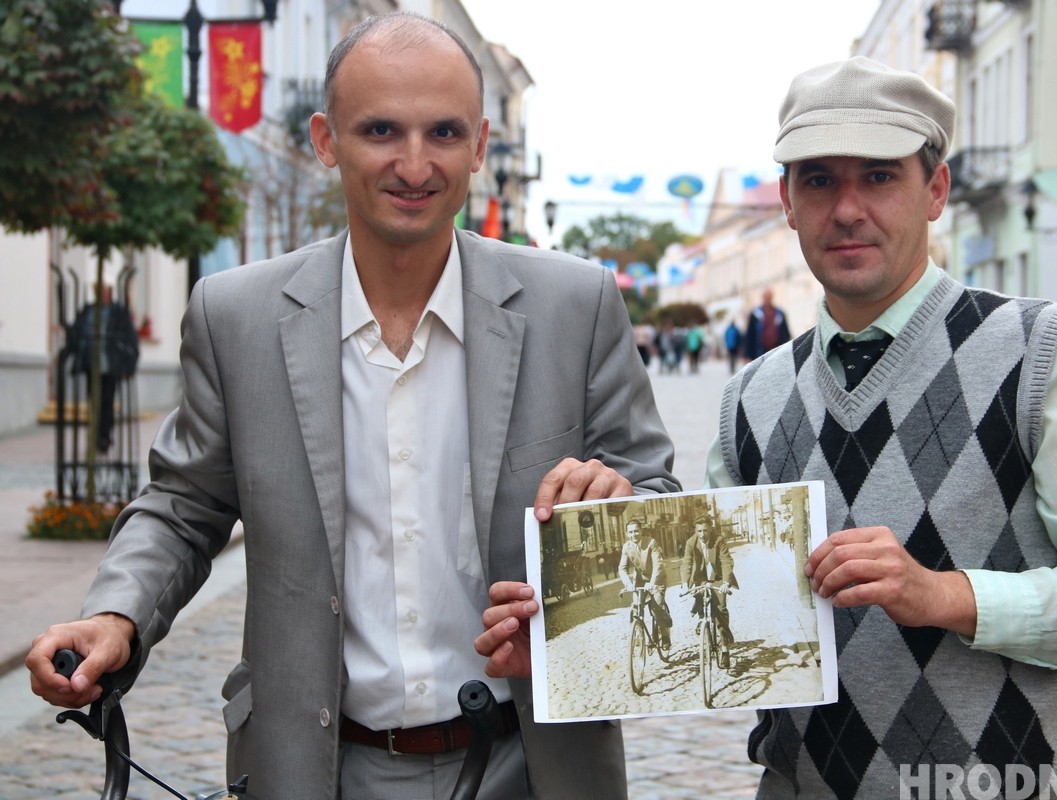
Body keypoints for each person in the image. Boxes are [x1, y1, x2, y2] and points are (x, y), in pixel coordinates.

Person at [26, 12, 678, 800]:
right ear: (326, 140)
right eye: (379, 130)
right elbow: (183, 503)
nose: (414, 163)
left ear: (479, 145)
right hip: (317, 766)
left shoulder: (574, 305)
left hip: (532, 762)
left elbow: (655, 498)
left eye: (443, 132)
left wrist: (620, 513)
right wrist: (117, 616)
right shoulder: (236, 317)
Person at [699, 56, 1057, 798]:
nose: (849, 207)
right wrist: (568, 624)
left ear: (936, 190)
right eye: (819, 179)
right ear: (789, 205)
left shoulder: (1044, 353)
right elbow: (722, 623)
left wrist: (948, 596)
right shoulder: (751, 398)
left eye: (879, 176)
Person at [67, 283, 140, 453]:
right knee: (93, 400)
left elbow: (128, 337)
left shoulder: (118, 312)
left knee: (107, 402)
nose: (102, 295)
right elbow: (77, 332)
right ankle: (96, 435)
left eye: (105, 292)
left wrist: (128, 363)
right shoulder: (88, 311)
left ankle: (104, 437)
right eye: (99, 292)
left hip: (110, 365)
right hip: (90, 363)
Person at [678, 515, 737, 668]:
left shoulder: (718, 540)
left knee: (721, 609)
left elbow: (726, 561)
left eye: (705, 530)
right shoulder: (691, 542)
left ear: (710, 528)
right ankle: (701, 617)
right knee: (698, 594)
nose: (702, 534)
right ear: (695, 531)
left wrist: (725, 582)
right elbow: (687, 563)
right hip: (700, 578)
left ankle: (724, 650)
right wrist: (685, 583)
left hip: (717, 578)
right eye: (699, 531)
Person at [617, 518, 673, 650]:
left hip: (656, 579)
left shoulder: (651, 543)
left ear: (641, 531)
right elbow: (622, 568)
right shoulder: (626, 547)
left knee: (656, 608)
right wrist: (628, 583)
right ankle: (638, 634)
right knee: (636, 607)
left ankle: (665, 635)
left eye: (636, 531)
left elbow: (658, 566)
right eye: (630, 532)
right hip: (639, 580)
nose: (634, 534)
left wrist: (652, 583)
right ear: (626, 534)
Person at [742, 288, 791, 361]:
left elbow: (785, 332)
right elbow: (750, 334)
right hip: (760, 351)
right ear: (763, 298)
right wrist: (747, 354)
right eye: (766, 297)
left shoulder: (779, 313)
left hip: (776, 349)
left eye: (769, 297)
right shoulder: (755, 314)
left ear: (772, 297)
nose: (767, 299)